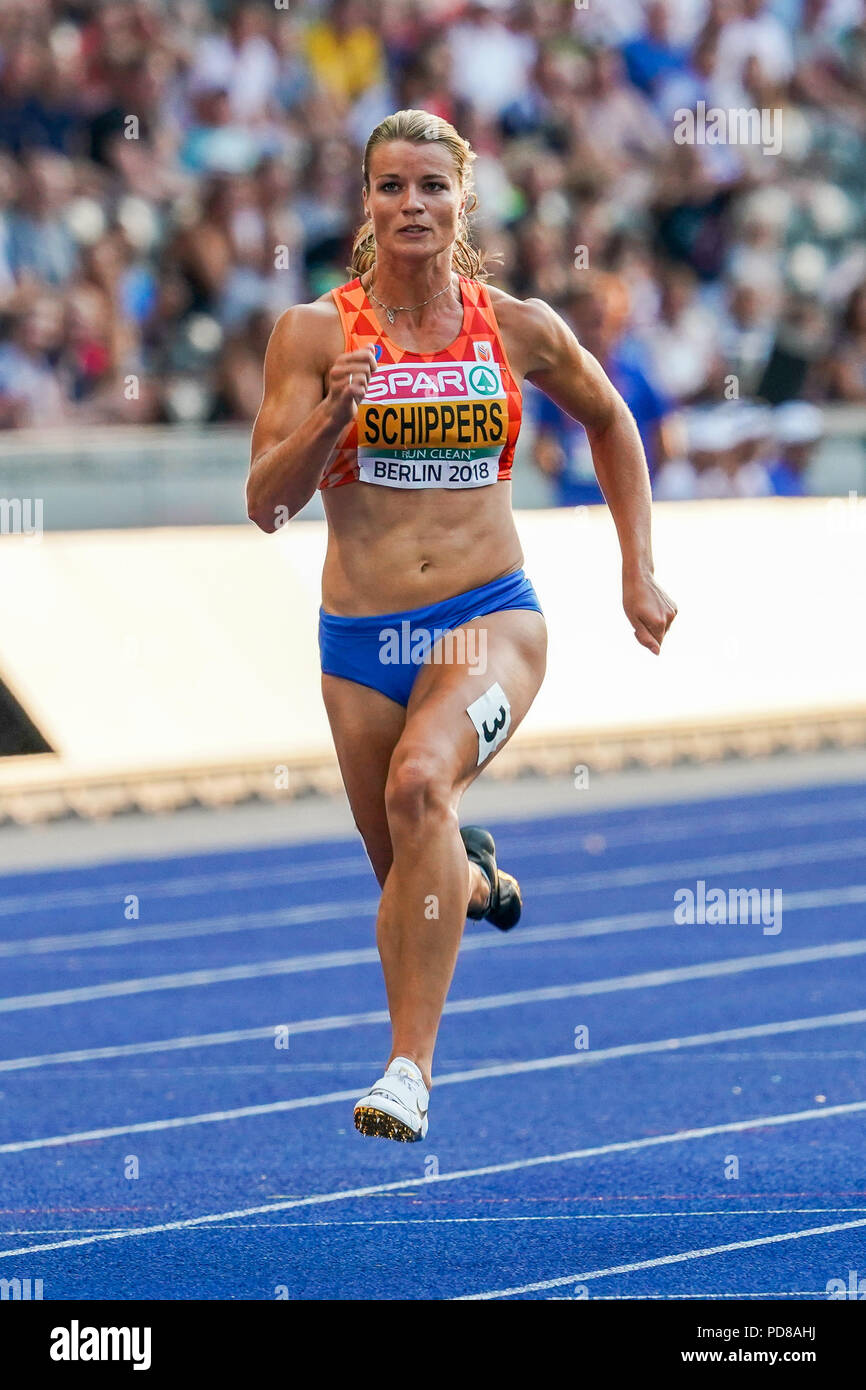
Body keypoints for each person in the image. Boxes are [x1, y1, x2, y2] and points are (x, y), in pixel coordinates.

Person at [246, 109, 677, 1142]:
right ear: (364, 203)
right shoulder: (312, 334)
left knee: (417, 785)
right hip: (360, 643)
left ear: (462, 202)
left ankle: (408, 1070)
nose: (411, 205)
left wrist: (638, 572)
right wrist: (326, 419)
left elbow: (610, 418)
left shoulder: (513, 324)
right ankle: (473, 875)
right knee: (408, 874)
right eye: (390, 186)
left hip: (488, 616)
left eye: (431, 187)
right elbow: (264, 505)